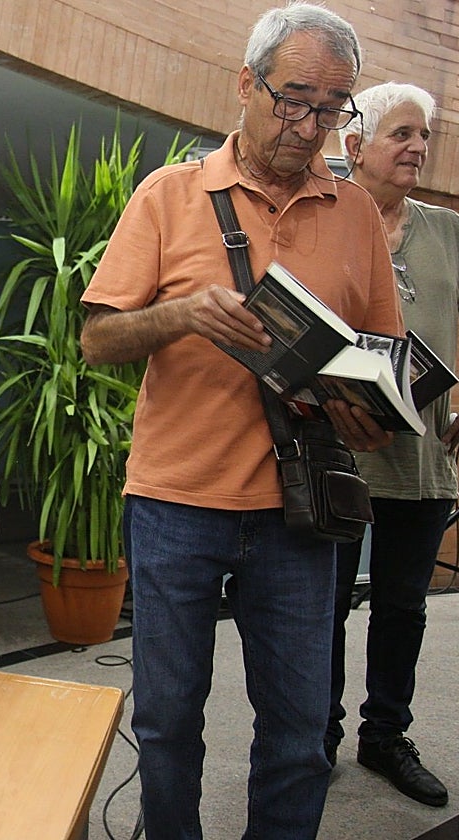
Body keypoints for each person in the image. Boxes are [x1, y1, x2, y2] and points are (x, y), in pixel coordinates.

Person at [79, 5, 403, 838]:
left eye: (334, 110)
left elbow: (382, 356)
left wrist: (370, 417)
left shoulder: (357, 212)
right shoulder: (169, 195)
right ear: (245, 85)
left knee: (298, 735)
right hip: (175, 504)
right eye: (294, 100)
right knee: (166, 724)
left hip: (300, 512)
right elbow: (98, 339)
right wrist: (182, 315)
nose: (311, 126)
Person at [326, 81, 459, 807]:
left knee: (404, 605)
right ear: (355, 147)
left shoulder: (447, 230)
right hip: (337, 454)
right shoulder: (326, 221)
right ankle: (316, 732)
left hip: (422, 457)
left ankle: (385, 736)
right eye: (401, 134)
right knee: (324, 602)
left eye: (424, 136)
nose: (417, 148)